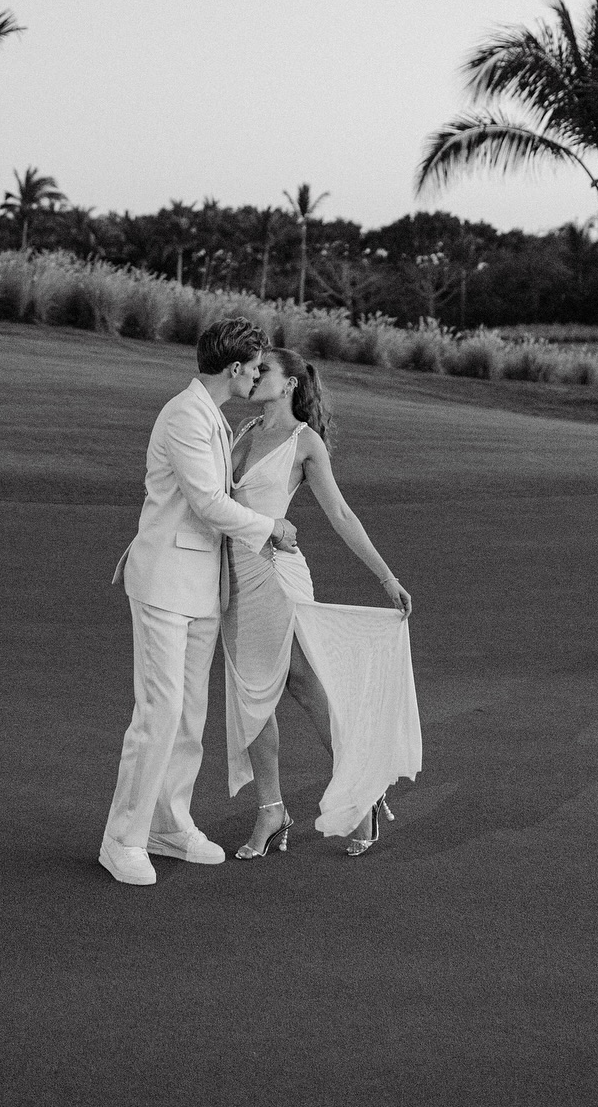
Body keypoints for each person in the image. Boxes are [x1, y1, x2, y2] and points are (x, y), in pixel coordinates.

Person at [99, 318, 301, 887]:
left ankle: (169, 824)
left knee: (190, 717)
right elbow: (209, 503)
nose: (261, 373)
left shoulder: (213, 417)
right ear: (234, 369)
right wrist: (272, 528)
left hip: (202, 588)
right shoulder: (185, 415)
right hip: (165, 581)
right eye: (256, 365)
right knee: (158, 714)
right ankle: (123, 838)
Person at [222, 346, 421, 858]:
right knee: (251, 695)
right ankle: (272, 810)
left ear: (289, 384)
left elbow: (341, 514)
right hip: (235, 579)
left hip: (278, 574)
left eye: (264, 370)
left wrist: (386, 577)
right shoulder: (240, 430)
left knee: (303, 687)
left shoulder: (304, 441)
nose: (253, 374)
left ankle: (362, 793)